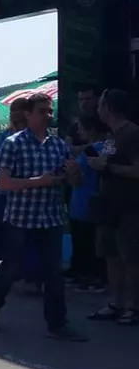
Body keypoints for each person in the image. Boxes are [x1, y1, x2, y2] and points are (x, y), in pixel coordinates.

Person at [0, 93, 84, 341]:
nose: (48, 116)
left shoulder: (58, 145)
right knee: (11, 267)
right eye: (42, 111)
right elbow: (3, 184)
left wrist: (73, 174)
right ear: (28, 115)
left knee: (53, 272)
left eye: (50, 111)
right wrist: (39, 181)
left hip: (50, 217)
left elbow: (74, 182)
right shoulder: (13, 144)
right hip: (21, 217)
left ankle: (57, 323)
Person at [86, 88, 139, 324]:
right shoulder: (109, 136)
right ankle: (115, 302)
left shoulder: (133, 133)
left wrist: (109, 168)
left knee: (130, 258)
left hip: (128, 206)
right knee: (111, 255)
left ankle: (133, 306)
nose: (98, 109)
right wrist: (96, 163)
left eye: (101, 105)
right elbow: (104, 162)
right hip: (107, 205)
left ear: (109, 108)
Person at [65, 115, 108, 293]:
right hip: (99, 200)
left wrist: (71, 171)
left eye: (81, 128)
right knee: (95, 242)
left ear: (90, 130)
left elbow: (77, 179)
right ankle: (98, 276)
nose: (79, 132)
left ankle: (89, 276)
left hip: (83, 202)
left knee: (85, 242)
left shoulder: (89, 150)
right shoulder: (109, 147)